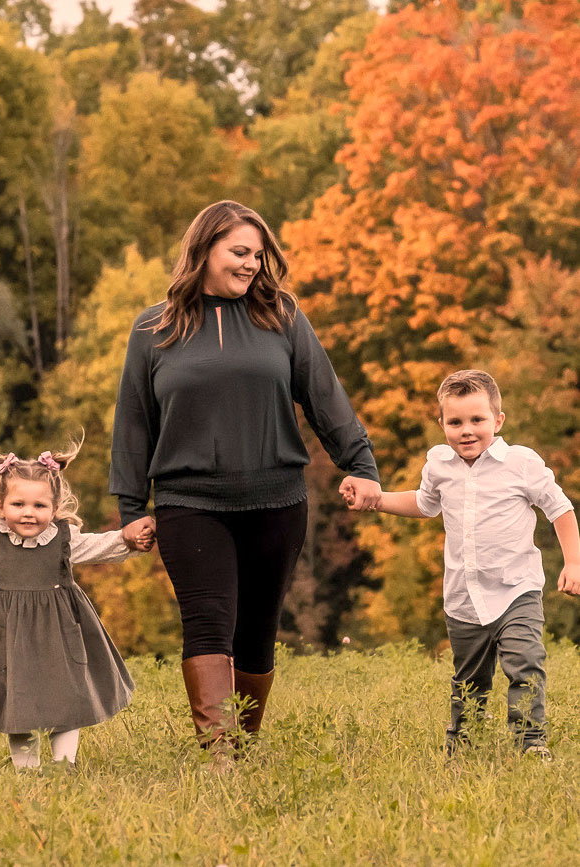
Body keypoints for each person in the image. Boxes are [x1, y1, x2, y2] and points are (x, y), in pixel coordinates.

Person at [109, 200, 381, 755]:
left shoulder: (281, 316)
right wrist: (132, 509)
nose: (251, 264)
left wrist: (361, 464)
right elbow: (134, 422)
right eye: (239, 252)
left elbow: (323, 394)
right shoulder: (153, 327)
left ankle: (245, 748)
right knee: (207, 625)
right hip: (190, 504)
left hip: (276, 501)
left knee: (256, 633)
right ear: (204, 250)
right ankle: (219, 758)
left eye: (258, 254)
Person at [343, 369, 580, 758]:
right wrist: (377, 499)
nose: (466, 431)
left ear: (498, 421)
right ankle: (463, 747)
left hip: (516, 588)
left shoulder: (520, 463)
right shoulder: (439, 464)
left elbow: (560, 509)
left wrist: (573, 562)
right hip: (463, 597)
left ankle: (531, 744)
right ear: (442, 424)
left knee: (525, 662)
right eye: (455, 422)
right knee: (469, 681)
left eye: (477, 420)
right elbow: (423, 503)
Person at [0, 441, 153, 769]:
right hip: (6, 632)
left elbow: (100, 547)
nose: (28, 513)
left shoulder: (62, 538)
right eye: (18, 503)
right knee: (17, 697)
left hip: (59, 631)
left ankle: (64, 766)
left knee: (67, 694)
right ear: (1, 503)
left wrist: (127, 537)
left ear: (54, 508)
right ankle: (26, 769)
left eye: (39, 506)